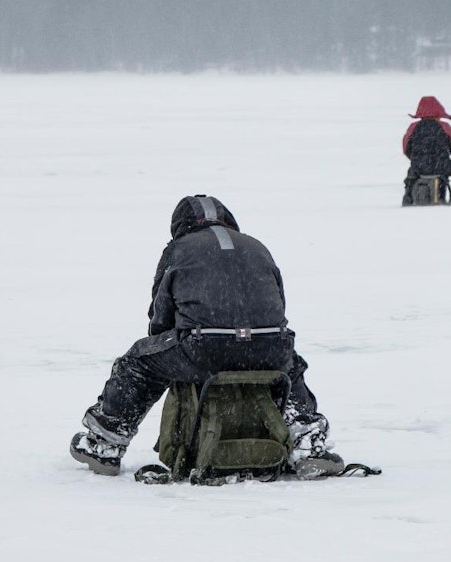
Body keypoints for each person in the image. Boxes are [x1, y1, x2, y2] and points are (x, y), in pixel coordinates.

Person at [70, 194, 343, 478]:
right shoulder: (257, 246)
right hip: (269, 347)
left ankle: (105, 442)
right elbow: (279, 306)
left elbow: (160, 318)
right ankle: (309, 445)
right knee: (289, 364)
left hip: (204, 348)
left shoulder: (178, 250)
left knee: (138, 361)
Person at [402, 95, 451, 206]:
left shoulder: (413, 127)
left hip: (419, 167)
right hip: (442, 167)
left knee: (411, 171)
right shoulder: (444, 127)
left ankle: (408, 198)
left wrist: (416, 159)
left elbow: (405, 147)